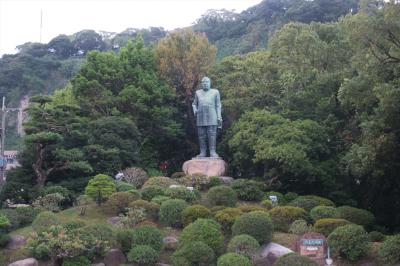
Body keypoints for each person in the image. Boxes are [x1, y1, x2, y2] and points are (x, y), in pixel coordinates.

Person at [192, 76, 222, 158]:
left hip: (212, 115)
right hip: (201, 116)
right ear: (201, 84)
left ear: (210, 83)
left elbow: (218, 105)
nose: (205, 83)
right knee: (201, 135)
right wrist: (195, 110)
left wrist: (219, 116)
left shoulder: (215, 92)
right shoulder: (198, 92)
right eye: (203, 82)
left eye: (207, 82)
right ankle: (202, 152)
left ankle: (212, 151)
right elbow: (194, 104)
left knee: (212, 134)